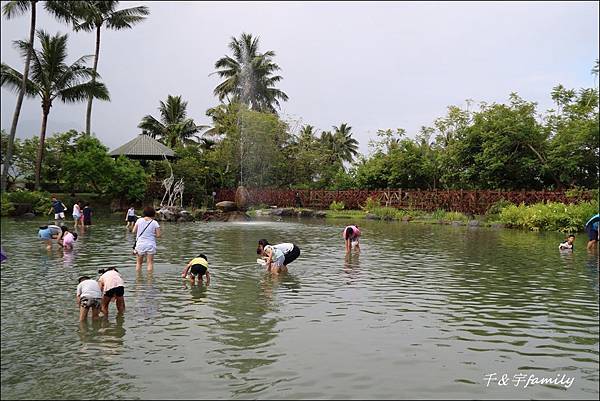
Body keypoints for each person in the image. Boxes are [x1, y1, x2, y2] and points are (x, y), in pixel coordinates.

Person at [132, 206, 161, 271]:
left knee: (139, 263)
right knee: (150, 263)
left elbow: (133, 231)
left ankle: (138, 279)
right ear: (153, 213)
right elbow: (158, 235)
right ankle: (150, 280)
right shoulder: (155, 222)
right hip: (150, 244)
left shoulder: (139, 220)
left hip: (140, 244)